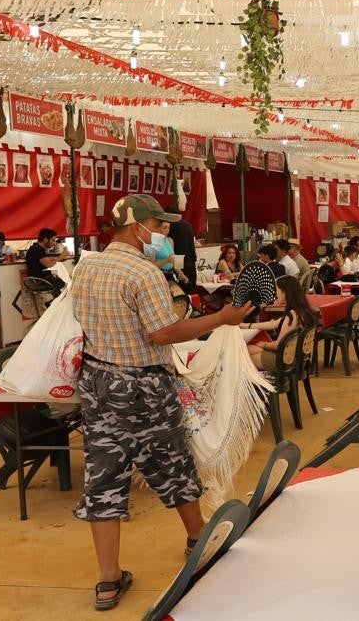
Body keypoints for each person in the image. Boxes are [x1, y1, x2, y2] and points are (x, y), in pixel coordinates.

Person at [70, 194, 251, 611]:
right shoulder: (144, 273)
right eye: (161, 226)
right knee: (172, 462)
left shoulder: (87, 265)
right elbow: (163, 333)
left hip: (97, 383)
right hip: (143, 385)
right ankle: (197, 539)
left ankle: (109, 580)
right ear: (137, 227)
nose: (166, 233)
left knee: (104, 475)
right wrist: (223, 318)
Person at [241, 276, 317, 371]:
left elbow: (277, 345)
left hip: (284, 360)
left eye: (277, 291)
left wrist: (262, 344)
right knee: (248, 349)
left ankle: (254, 384)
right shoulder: (300, 311)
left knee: (242, 356)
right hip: (292, 356)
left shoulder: (291, 316)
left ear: (285, 292)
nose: (275, 294)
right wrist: (246, 325)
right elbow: (274, 324)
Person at [165, 202, 197, 289]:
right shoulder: (187, 224)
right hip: (191, 262)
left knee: (181, 295)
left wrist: (178, 270)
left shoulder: (171, 226)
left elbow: (173, 250)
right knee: (190, 293)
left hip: (180, 262)